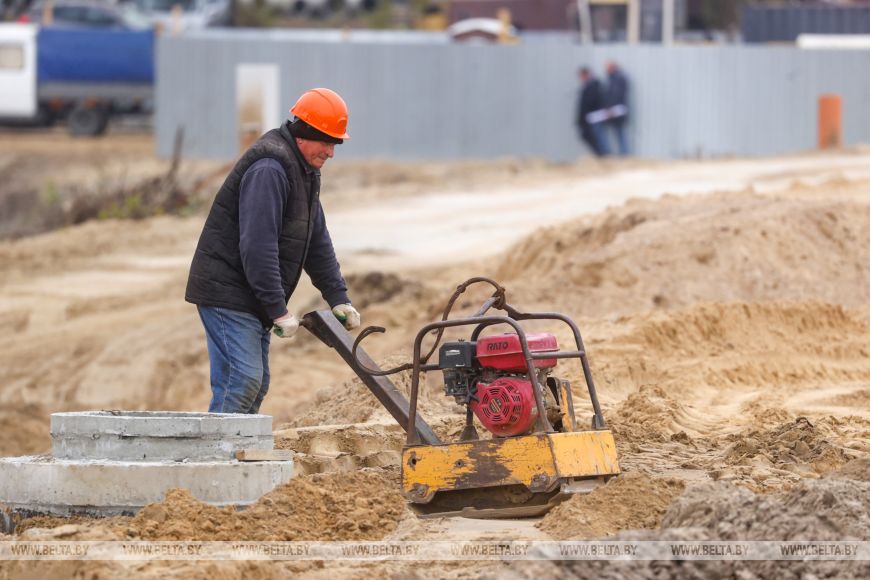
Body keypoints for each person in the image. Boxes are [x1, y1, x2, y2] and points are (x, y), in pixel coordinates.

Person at [185, 87, 361, 415]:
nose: (332, 153)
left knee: (256, 383)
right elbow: (257, 246)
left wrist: (338, 297)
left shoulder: (304, 172)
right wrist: (278, 309)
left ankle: (236, 457)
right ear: (308, 133)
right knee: (242, 379)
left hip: (248, 294)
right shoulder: (270, 170)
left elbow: (316, 240)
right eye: (328, 143)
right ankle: (218, 458)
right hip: (228, 291)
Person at [575, 66, 609, 157]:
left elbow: (592, 102)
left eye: (582, 76)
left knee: (599, 138)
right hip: (589, 118)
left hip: (595, 117)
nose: (581, 79)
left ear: (586, 75)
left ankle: (604, 155)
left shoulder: (594, 85)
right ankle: (601, 155)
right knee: (593, 137)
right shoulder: (589, 85)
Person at [604, 60, 630, 156]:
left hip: (617, 111)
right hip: (616, 110)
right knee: (619, 132)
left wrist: (610, 108)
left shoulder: (618, 78)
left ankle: (624, 154)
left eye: (608, 68)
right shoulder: (614, 78)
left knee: (620, 133)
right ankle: (623, 153)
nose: (606, 71)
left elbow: (616, 95)